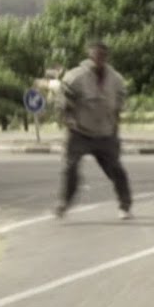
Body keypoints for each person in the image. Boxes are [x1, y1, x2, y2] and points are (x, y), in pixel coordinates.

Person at [54, 40, 134, 220]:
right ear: (90, 56)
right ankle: (64, 203)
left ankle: (125, 205)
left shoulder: (116, 79)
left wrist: (116, 124)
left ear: (106, 57)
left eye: (102, 55)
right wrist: (68, 120)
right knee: (70, 168)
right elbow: (62, 102)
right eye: (95, 55)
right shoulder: (76, 77)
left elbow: (120, 103)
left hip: (105, 132)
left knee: (116, 169)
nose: (98, 59)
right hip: (80, 132)